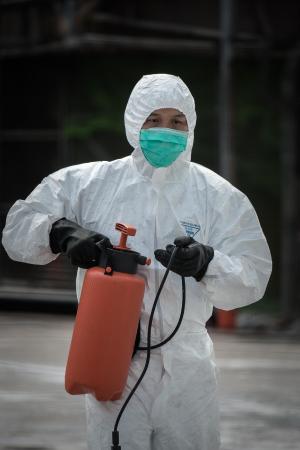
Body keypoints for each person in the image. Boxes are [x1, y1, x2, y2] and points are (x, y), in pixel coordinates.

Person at [2, 73, 272, 450]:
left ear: (191, 127)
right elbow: (17, 229)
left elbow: (254, 274)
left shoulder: (218, 196)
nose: (166, 131)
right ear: (134, 123)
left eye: (176, 121)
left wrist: (207, 263)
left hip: (187, 368)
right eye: (153, 120)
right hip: (113, 355)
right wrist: (60, 232)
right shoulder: (89, 183)